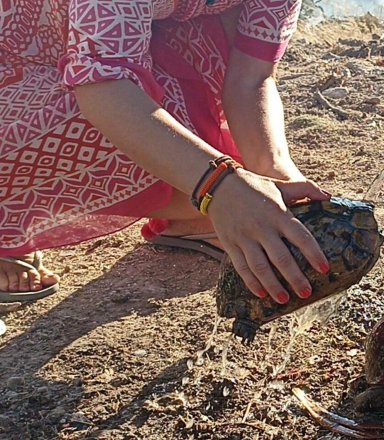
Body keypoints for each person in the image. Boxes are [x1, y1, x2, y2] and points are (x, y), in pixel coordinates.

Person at [0, 0, 331, 305]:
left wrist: (274, 174)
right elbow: (103, 87)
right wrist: (218, 183)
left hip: (131, 46)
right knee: (219, 181)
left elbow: (251, 78)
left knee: (238, 186)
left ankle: (195, 212)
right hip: (19, 55)